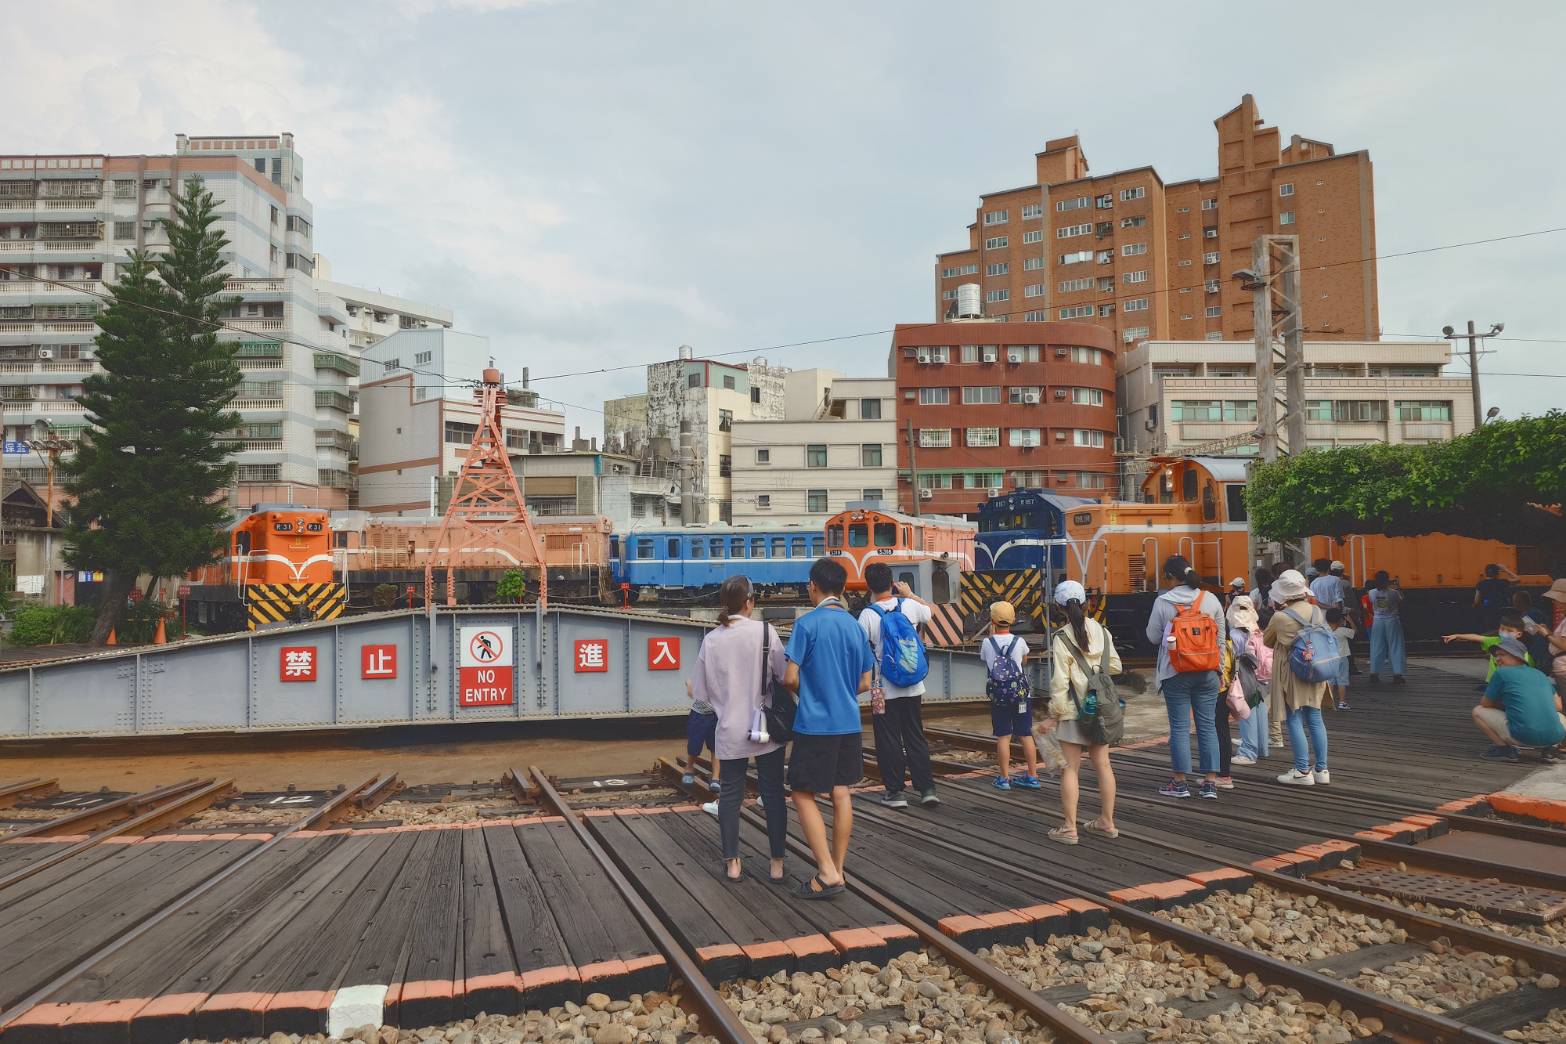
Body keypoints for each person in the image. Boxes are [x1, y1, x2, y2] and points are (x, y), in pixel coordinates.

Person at [784, 557, 875, 900]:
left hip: (814, 723)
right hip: (848, 721)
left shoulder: (808, 625)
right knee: (841, 791)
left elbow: (790, 677)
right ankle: (838, 868)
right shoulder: (854, 626)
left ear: (814, 586)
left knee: (801, 791)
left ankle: (825, 870)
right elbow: (866, 681)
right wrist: (841, 691)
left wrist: (809, 692)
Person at [692, 575, 787, 883]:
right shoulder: (765, 631)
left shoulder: (712, 639)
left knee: (730, 796)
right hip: (765, 727)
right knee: (772, 792)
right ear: (750, 602)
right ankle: (776, 863)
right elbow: (784, 676)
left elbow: (701, 694)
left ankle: (733, 863)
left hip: (730, 729)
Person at [1038, 580, 1121, 843]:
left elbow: (1061, 681)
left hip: (1074, 711)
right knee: (1104, 765)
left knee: (1070, 770)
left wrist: (1054, 713)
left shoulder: (1061, 637)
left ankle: (1070, 828)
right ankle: (1107, 822)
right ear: (1086, 604)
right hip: (1101, 709)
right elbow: (1116, 666)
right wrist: (1096, 674)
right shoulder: (1102, 631)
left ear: (1059, 607)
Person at [857, 562, 938, 808]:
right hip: (914, 685)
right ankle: (927, 789)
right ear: (892, 582)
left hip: (882, 690)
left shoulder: (868, 615)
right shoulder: (910, 606)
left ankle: (895, 792)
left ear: (868, 585)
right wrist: (909, 593)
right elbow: (932, 611)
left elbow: (862, 652)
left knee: (887, 738)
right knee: (915, 736)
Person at [1145, 555, 1226, 800]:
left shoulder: (1163, 602)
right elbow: (1221, 638)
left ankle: (1179, 784)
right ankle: (1210, 783)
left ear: (1171, 576)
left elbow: (1152, 637)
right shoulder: (1210, 599)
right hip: (1208, 672)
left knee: (1179, 727)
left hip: (1175, 671)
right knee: (1208, 725)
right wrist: (1219, 668)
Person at [1264, 569, 1331, 786]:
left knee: (1294, 717)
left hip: (1292, 672)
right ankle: (1322, 769)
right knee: (1315, 717)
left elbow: (1267, 640)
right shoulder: (1316, 611)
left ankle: (1302, 770)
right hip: (1317, 670)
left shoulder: (1280, 617)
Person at [1471, 637, 1565, 763]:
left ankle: (1504, 750)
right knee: (1560, 716)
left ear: (1517, 656)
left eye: (1502, 655)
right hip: (1554, 736)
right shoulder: (1540, 674)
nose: (1497, 659)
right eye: (1496, 655)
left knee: (1478, 711)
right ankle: (1549, 750)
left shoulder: (1501, 674)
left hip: (1522, 737)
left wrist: (1508, 705)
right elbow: (1558, 706)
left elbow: (1485, 704)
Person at [982, 600, 1042, 790]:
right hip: (1021, 695)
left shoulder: (987, 642)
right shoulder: (1020, 642)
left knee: (1003, 736)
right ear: (1013, 619)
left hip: (999, 695)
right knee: (1025, 734)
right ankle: (1032, 776)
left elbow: (986, 661)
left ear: (992, 620)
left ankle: (1004, 778)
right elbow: (1023, 661)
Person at [1228, 595, 1272, 765]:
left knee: (1245, 709)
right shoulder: (1258, 630)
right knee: (1259, 707)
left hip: (1244, 674)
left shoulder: (1234, 634)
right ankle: (1261, 746)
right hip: (1262, 674)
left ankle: (1248, 751)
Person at [1443, 611, 1534, 682]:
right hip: (1493, 682)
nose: (1504, 632)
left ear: (1519, 634)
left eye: (1509, 631)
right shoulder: (1495, 641)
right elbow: (1476, 637)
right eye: (1502, 629)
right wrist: (1457, 636)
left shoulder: (1524, 652)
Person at [1365, 571, 1406, 684]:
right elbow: (1401, 602)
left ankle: (1374, 672)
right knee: (1395, 646)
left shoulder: (1371, 593)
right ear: (1387, 580)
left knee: (1376, 646)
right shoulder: (1393, 593)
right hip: (1392, 620)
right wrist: (1398, 588)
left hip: (1377, 621)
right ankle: (1397, 673)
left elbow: (1371, 603)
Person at [681, 683, 721, 793]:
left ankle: (715, 778)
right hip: (699, 714)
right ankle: (689, 768)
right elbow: (690, 687)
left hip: (716, 714)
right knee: (694, 746)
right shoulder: (702, 670)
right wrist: (692, 686)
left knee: (716, 747)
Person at [1513, 591, 1553, 675]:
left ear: (1523, 602)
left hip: (1539, 648)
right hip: (1542, 646)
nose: (1514, 604)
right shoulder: (1534, 612)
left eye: (1516, 601)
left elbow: (1532, 631)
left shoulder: (1529, 614)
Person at [1474, 563, 1519, 629]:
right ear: (1497, 573)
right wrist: (1505, 569)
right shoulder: (1503, 582)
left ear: (1486, 573)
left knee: (1489, 631)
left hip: (1488, 613)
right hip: (1502, 612)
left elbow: (1476, 601)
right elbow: (1518, 579)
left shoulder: (1481, 584)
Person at [1327, 606, 1354, 711]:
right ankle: (1342, 702)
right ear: (1340, 620)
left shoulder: (1326, 631)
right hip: (1342, 658)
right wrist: (1350, 621)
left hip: (1330, 659)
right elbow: (1355, 631)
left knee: (1330, 681)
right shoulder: (1342, 630)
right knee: (1342, 681)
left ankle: (1329, 702)